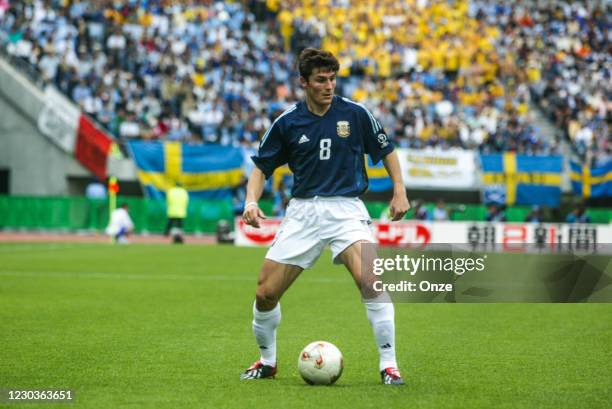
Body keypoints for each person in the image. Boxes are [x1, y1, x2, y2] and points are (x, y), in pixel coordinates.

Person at [240, 48, 410, 385]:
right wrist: (250, 201)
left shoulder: (356, 114)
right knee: (264, 293)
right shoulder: (287, 122)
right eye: (321, 80)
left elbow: (386, 150)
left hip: (347, 210)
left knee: (371, 281)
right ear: (304, 82)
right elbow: (261, 167)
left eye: (332, 79)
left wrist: (400, 190)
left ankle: (389, 365)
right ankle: (267, 361)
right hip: (304, 212)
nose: (329, 85)